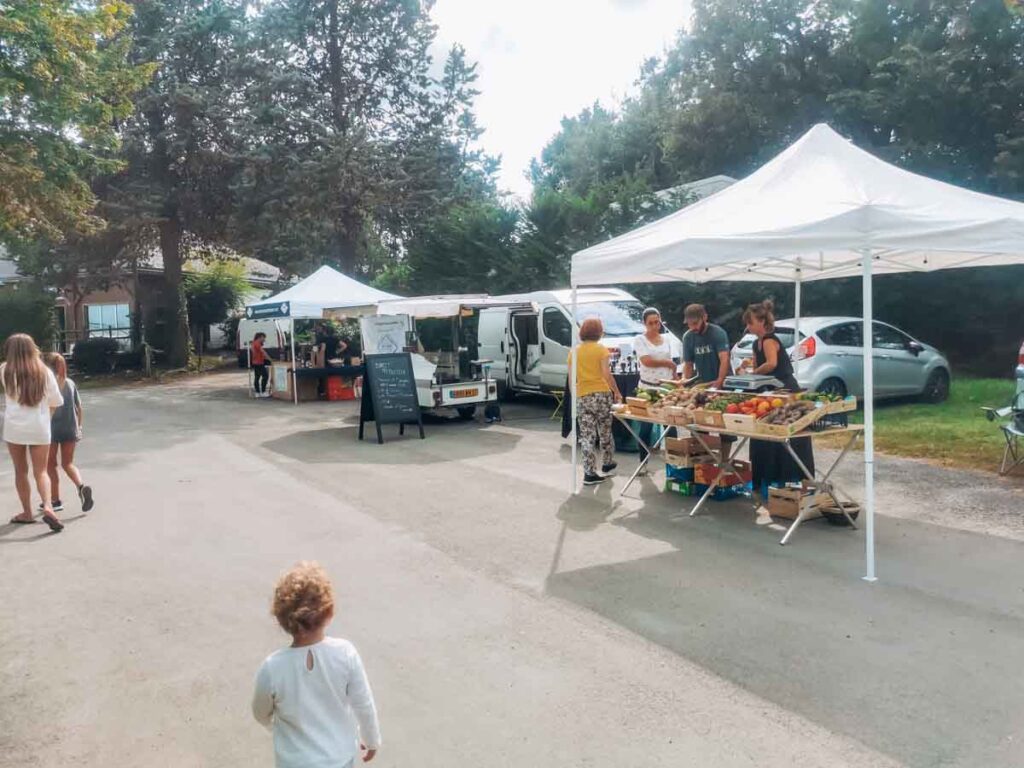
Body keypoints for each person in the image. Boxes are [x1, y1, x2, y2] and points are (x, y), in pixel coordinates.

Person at [253, 561, 381, 768]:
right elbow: (363, 704)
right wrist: (372, 739)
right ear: (329, 612)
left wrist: (276, 726)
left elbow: (260, 711)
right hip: (339, 759)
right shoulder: (345, 653)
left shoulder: (273, 668)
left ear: (282, 619)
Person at [741, 300, 815, 510]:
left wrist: (753, 373)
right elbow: (758, 366)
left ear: (762, 322)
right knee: (764, 435)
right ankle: (766, 480)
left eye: (751, 322)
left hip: (784, 390)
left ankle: (792, 481)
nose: (748, 327)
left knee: (786, 434)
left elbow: (771, 364)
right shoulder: (756, 343)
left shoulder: (769, 340)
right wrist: (749, 370)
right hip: (767, 391)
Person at [1, 334, 65, 532]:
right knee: (41, 471)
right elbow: (56, 401)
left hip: (14, 428)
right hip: (39, 426)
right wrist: (46, 416)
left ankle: (27, 513)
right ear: (32, 348)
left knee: (21, 471)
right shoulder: (45, 372)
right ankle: (47, 506)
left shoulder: (4, 370)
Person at [568, 318, 623, 486]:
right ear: (599, 332)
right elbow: (606, 374)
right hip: (601, 394)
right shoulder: (601, 350)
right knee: (605, 430)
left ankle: (589, 472)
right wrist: (617, 391)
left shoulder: (574, 352)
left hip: (583, 395)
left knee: (587, 435)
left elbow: (571, 378)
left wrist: (575, 396)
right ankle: (607, 463)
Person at [43, 353, 93, 514]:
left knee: (51, 465)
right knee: (68, 463)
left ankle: (55, 500)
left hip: (50, 429)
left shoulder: (45, 384)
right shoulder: (70, 383)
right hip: (70, 427)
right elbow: (79, 408)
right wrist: (79, 427)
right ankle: (81, 486)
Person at [633, 308, 677, 463]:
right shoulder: (640, 339)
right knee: (646, 425)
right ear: (645, 324)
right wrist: (667, 363)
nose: (654, 326)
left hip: (666, 386)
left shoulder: (666, 339)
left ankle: (674, 462)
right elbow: (646, 361)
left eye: (656, 322)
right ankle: (643, 461)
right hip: (648, 386)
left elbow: (672, 362)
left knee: (671, 424)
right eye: (650, 323)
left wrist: (675, 377)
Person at [681, 304, 731, 388]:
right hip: (703, 382)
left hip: (723, 381)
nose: (693, 327)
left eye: (695, 323)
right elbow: (688, 364)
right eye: (689, 324)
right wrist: (685, 381)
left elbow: (724, 359)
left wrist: (720, 380)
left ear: (704, 317)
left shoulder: (718, 333)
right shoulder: (688, 337)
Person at [252, 332, 271, 398]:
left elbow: (261, 353)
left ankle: (257, 392)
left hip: (257, 362)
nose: (264, 339)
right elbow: (263, 352)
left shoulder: (255, 343)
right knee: (265, 376)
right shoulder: (257, 343)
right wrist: (270, 359)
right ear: (260, 337)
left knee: (257, 377)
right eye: (263, 338)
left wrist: (266, 358)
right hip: (258, 363)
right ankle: (262, 392)